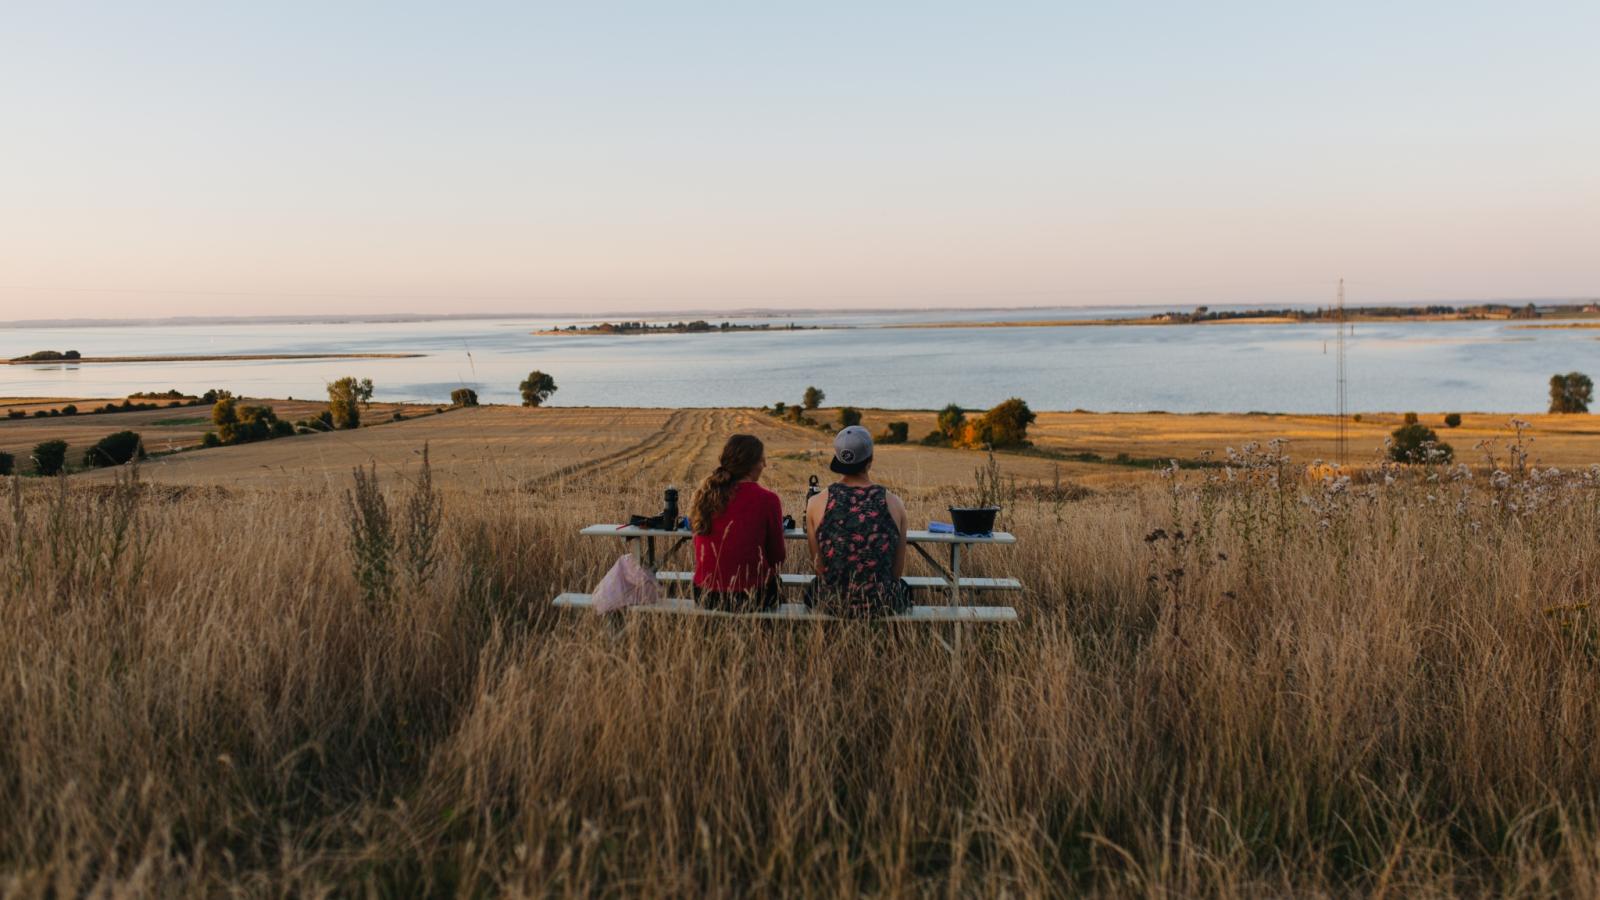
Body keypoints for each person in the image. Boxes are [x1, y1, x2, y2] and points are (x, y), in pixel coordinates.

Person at [805, 425, 911, 616]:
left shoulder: (815, 503)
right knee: (905, 589)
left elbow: (819, 568)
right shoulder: (895, 503)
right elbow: (896, 573)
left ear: (838, 459)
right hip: (882, 603)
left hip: (833, 603)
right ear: (870, 460)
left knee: (811, 590)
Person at [690, 434, 787, 611]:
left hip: (704, 594)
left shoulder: (705, 495)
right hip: (750, 596)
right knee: (777, 585)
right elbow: (778, 557)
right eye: (762, 460)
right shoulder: (768, 500)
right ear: (751, 465)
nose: (764, 465)